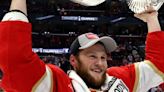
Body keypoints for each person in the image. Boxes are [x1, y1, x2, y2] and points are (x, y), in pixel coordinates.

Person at [0, 0, 163, 92]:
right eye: (92, 56)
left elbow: (158, 66)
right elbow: (15, 59)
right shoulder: (59, 85)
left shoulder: (118, 80)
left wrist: (152, 19)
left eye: (103, 57)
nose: (100, 62)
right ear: (73, 60)